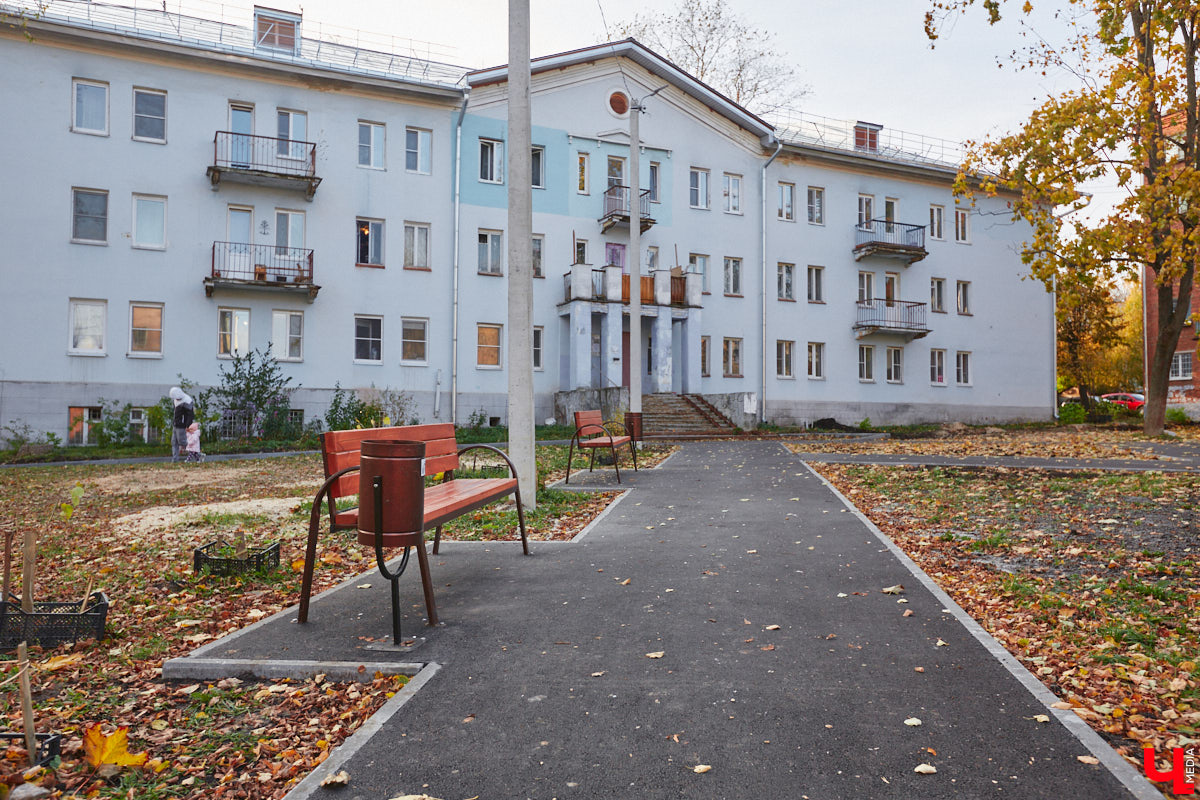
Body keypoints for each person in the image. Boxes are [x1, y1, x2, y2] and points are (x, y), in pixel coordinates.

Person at [168, 386, 194, 461]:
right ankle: (175, 459)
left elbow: (190, 415)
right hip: (176, 424)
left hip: (182, 425)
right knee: (174, 442)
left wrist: (187, 426)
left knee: (182, 442)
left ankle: (196, 453)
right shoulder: (175, 400)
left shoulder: (187, 401)